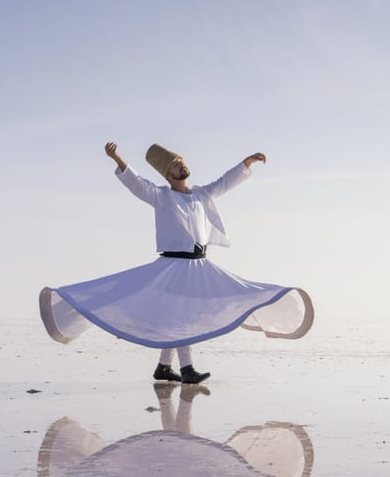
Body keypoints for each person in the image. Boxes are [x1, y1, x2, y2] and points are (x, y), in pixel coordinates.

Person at [38, 142, 314, 384]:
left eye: (182, 162)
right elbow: (137, 184)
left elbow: (225, 181)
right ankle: (187, 369)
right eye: (176, 165)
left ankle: (163, 367)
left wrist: (247, 162)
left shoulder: (201, 195)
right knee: (183, 315)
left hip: (199, 266)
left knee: (185, 312)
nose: (182, 166)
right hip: (173, 267)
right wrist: (119, 160)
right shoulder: (161, 196)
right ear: (168, 174)